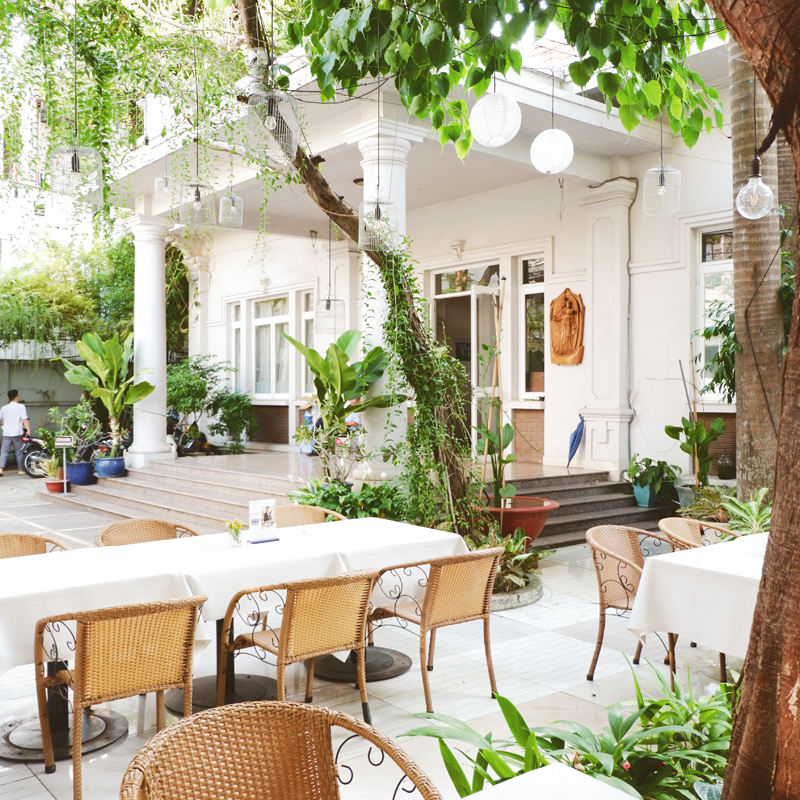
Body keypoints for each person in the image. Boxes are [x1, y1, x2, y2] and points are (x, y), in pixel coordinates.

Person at [0, 389, 31, 476]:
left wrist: (2, 426)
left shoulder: (3, 408)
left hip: (6, 433)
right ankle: (20, 470)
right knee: (19, 452)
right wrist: (28, 430)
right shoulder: (21, 407)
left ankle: (1, 469)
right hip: (17, 434)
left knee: (4, 451)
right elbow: (24, 419)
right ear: (17, 397)